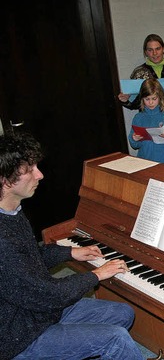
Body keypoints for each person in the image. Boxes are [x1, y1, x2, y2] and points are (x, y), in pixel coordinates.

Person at [0, 132, 143, 360]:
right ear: (5, 180)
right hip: (20, 335)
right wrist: (96, 275)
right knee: (115, 338)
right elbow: (48, 295)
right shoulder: (2, 238)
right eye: (30, 170)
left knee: (123, 313)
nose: (40, 174)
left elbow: (28, 258)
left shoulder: (11, 210)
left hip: (38, 313)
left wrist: (70, 252)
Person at [118, 34, 164, 168]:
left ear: (163, 49)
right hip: (148, 122)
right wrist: (126, 100)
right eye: (150, 50)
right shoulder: (139, 73)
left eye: (158, 48)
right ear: (145, 52)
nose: (154, 53)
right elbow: (135, 102)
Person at [128, 78, 164, 164]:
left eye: (154, 99)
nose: (151, 102)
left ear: (160, 98)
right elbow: (134, 144)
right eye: (147, 99)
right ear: (142, 99)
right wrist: (134, 139)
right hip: (144, 159)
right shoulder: (138, 117)